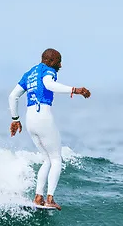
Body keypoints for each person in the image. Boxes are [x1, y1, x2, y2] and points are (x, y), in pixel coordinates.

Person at [8, 48, 91, 210]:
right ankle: (50, 198)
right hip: (43, 116)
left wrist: (15, 119)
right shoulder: (48, 70)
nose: (60, 65)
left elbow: (13, 96)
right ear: (51, 61)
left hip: (29, 119)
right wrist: (75, 90)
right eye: (58, 61)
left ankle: (38, 197)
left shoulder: (30, 73)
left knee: (46, 159)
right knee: (56, 159)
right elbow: (48, 84)